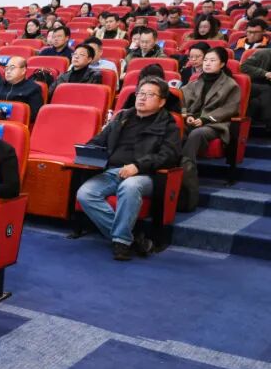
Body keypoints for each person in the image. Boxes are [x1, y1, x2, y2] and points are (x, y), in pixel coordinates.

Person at [76, 76, 180, 260]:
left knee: (130, 186)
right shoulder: (122, 117)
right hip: (112, 171)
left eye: (150, 95)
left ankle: (121, 244)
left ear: (162, 102)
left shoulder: (168, 125)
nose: (142, 98)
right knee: (85, 193)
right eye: (140, 93)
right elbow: (98, 140)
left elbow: (169, 156)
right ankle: (129, 239)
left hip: (146, 175)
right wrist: (89, 151)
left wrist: (138, 166)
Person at [180, 46, 240, 162]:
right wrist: (186, 115)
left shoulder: (230, 85)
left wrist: (205, 119)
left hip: (215, 124)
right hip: (193, 121)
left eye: (212, 60)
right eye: (206, 60)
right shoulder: (195, 82)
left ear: (222, 64)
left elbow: (229, 109)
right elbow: (181, 100)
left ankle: (186, 167)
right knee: (174, 128)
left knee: (197, 133)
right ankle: (170, 165)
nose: (207, 63)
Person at [0, 57, 44, 121]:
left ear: (23, 70)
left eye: (12, 68)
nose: (8, 71)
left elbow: (34, 114)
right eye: (6, 68)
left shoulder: (33, 88)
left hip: (19, 123)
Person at [241, 45, 271, 125]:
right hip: (254, 84)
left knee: (255, 103)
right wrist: (265, 73)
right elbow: (243, 67)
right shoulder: (263, 54)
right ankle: (268, 122)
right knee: (266, 89)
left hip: (264, 94)